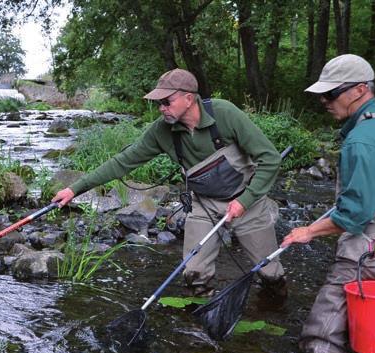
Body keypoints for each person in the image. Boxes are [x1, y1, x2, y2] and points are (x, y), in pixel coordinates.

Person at [52, 68, 286, 297]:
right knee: (193, 275)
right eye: (158, 103)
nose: (161, 108)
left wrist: (244, 201)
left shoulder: (225, 113)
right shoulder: (161, 131)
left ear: (189, 98)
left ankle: (274, 312)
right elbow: (122, 162)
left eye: (167, 101)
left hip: (248, 201)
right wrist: (74, 189)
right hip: (203, 205)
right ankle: (199, 327)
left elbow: (271, 159)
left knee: (270, 274)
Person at [281, 54, 375, 353]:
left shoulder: (364, 138)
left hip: (374, 246)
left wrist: (309, 231)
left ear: (359, 90)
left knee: (322, 333)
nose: (324, 101)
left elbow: (355, 214)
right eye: (321, 95)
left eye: (331, 93)